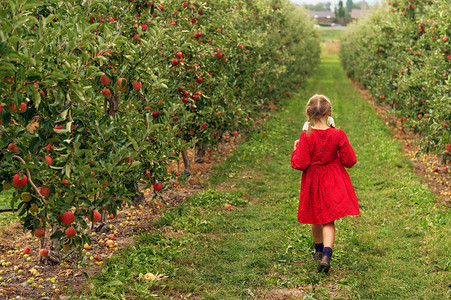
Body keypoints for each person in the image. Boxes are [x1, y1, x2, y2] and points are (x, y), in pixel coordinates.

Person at [291, 94, 359, 273]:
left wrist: (296, 148)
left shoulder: (306, 136)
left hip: (313, 180)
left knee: (315, 216)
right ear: (329, 113)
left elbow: (300, 163)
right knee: (329, 219)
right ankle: (326, 255)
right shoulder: (338, 134)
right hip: (332, 180)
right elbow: (350, 160)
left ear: (309, 114)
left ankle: (318, 250)